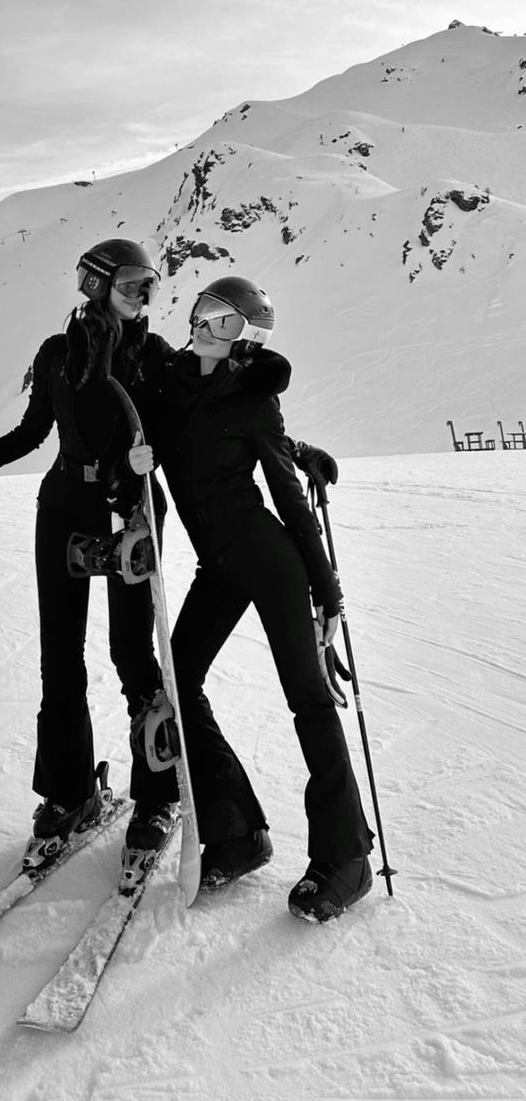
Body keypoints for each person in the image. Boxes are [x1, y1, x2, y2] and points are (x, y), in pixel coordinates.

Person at [0, 238, 179, 865]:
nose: (143, 297)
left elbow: (191, 422)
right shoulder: (59, 354)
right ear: (95, 286)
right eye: (130, 285)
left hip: (132, 513)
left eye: (150, 285)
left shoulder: (155, 356)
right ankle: (70, 794)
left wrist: (283, 445)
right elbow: (34, 431)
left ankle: (156, 797)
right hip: (64, 510)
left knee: (131, 652)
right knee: (58, 658)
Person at [152, 276, 375, 922]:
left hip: (268, 561)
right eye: (203, 312)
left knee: (307, 698)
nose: (205, 325)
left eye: (224, 323)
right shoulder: (169, 382)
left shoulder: (252, 397)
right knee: (178, 677)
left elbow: (287, 500)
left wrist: (327, 589)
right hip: (217, 565)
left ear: (245, 338)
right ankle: (237, 831)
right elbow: (184, 434)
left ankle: (346, 857)